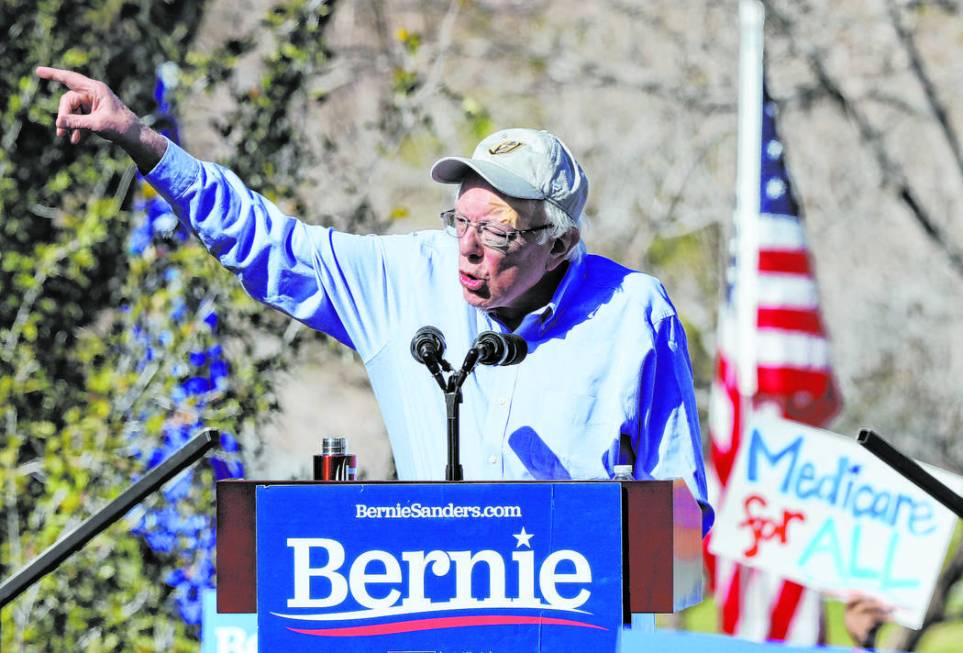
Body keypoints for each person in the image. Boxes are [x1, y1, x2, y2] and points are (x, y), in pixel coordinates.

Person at [36, 66, 713, 536]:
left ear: (558, 244)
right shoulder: (403, 276)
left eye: (496, 231)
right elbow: (265, 242)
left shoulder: (632, 312)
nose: (467, 249)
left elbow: (683, 511)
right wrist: (145, 143)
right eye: (461, 221)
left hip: (574, 625)